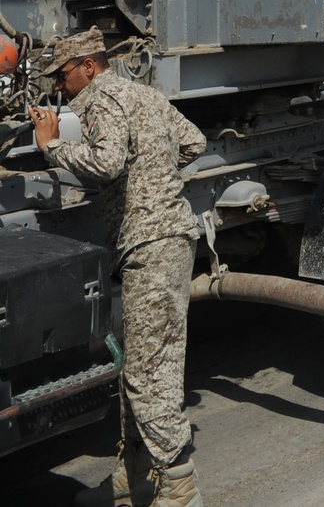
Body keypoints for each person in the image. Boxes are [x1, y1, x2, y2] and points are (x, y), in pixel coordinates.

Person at [29, 28, 207, 507]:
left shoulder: (101, 98)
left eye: (62, 76)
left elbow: (106, 164)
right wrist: (156, 176)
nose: (59, 87)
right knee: (138, 366)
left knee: (151, 371)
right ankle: (134, 474)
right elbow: (193, 142)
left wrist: (51, 146)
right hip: (161, 240)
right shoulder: (142, 94)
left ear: (89, 65)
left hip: (150, 244)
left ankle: (180, 483)